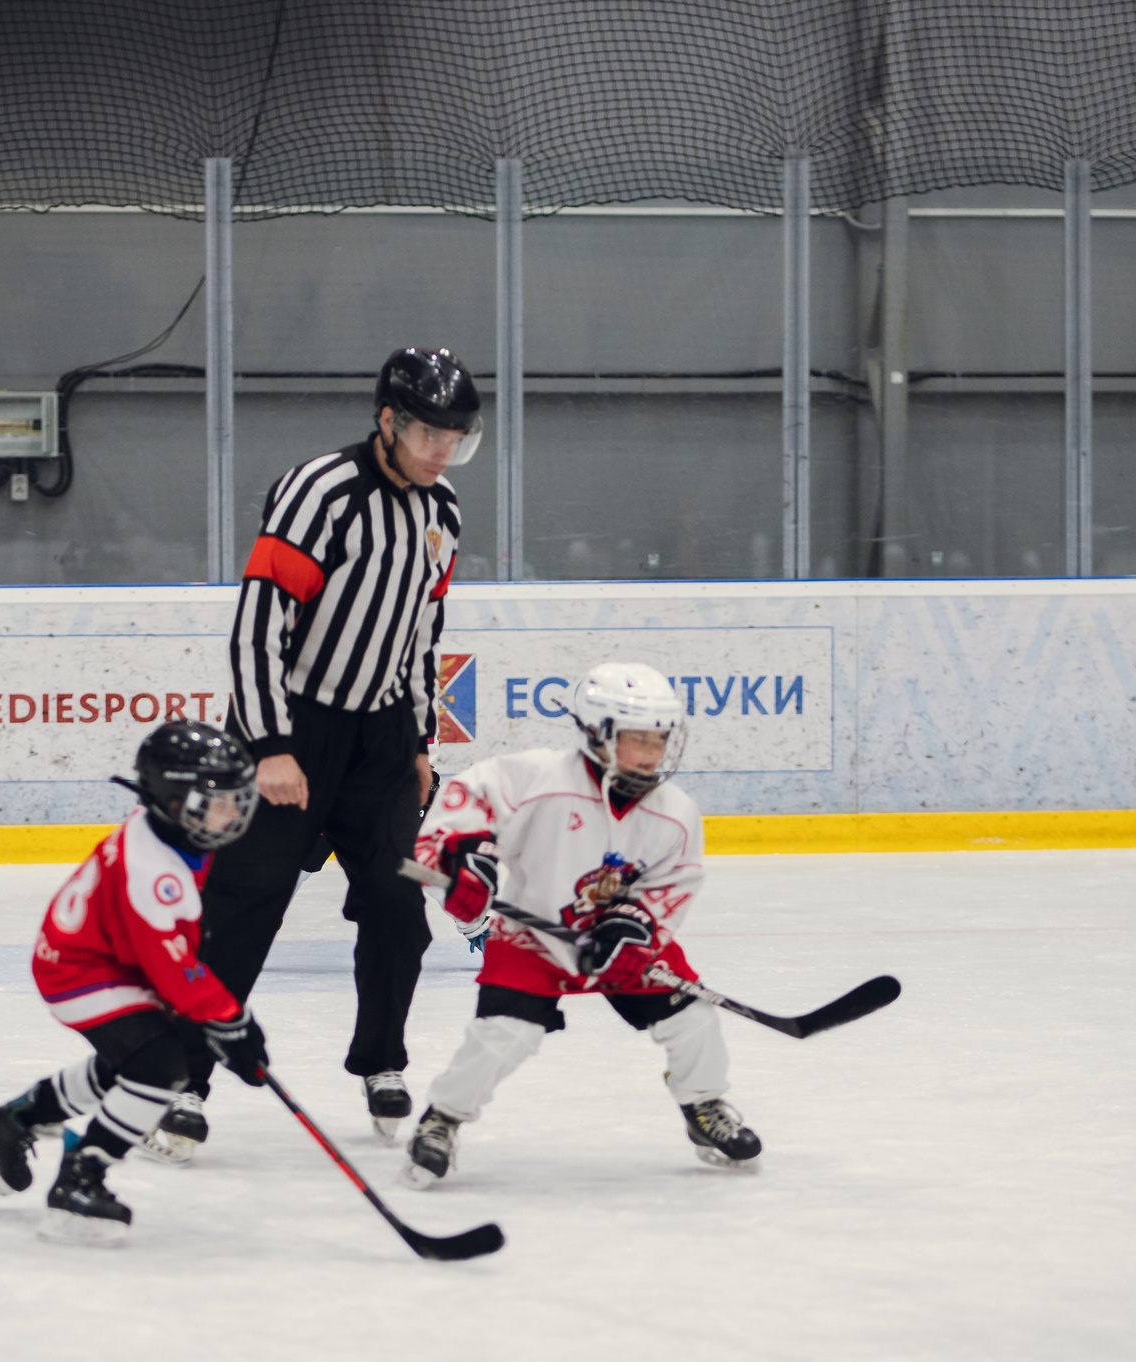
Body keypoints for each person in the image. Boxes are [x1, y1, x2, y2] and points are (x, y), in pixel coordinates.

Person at [162, 348, 480, 1155]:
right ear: (388, 422)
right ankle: (180, 1077)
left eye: (456, 435)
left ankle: (381, 1059)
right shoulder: (319, 493)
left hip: (379, 744)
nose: (442, 450)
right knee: (242, 906)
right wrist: (269, 746)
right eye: (428, 433)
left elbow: (420, 634)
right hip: (290, 727)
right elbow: (257, 627)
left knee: (399, 906)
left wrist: (417, 738)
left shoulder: (443, 512)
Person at [399, 661, 762, 1189]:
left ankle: (704, 1106)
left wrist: (634, 926)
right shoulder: (535, 778)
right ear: (596, 733)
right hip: (532, 939)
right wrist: (463, 859)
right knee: (504, 1035)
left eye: (659, 739)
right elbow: (462, 808)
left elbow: (674, 883)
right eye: (637, 738)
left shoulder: (674, 812)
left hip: (620, 944)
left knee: (694, 1017)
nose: (652, 753)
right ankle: (443, 1119)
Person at [0, 722, 269, 1243]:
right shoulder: (153, 870)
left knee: (133, 1062)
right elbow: (175, 971)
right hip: (82, 971)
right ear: (170, 796)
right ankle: (82, 1176)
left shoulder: (164, 828)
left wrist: (221, 1021)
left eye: (234, 799)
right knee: (162, 1067)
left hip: (102, 956)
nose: (231, 812)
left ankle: (12, 1121)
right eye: (215, 801)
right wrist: (233, 1024)